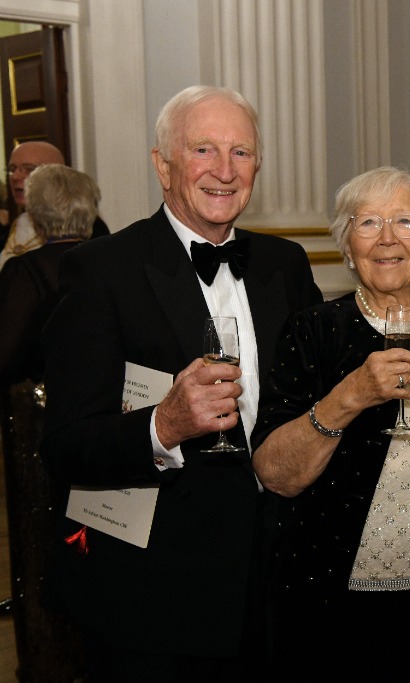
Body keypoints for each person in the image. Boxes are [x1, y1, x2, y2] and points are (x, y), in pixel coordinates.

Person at [39, 85, 322, 683]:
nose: (225, 170)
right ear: (162, 165)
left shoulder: (286, 266)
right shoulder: (101, 271)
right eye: (202, 150)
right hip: (155, 596)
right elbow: (65, 446)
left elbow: (312, 397)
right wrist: (162, 426)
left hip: (277, 580)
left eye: (241, 152)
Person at [249, 166, 410, 681]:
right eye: (367, 222)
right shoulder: (312, 331)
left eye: (405, 221)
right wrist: (350, 396)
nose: (387, 238)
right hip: (330, 611)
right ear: (348, 247)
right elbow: (275, 473)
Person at [0, 163, 99, 682]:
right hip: (103, 417)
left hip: (38, 424)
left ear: (36, 215)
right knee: (93, 535)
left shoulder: (26, 270)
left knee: (44, 541)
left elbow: (5, 356)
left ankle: (51, 660)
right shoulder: (108, 260)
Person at [0, 141, 109, 271]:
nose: (15, 176)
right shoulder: (11, 227)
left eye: (29, 169)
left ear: (57, 176)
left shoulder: (88, 226)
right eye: (12, 169)